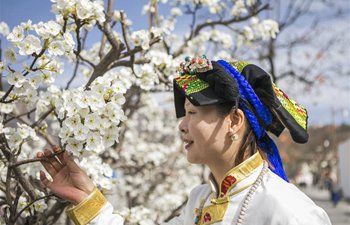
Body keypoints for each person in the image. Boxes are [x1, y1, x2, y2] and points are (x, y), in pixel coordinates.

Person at [37, 55, 332, 225]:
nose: (182, 125)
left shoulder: (288, 210)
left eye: (193, 112)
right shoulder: (201, 199)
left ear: (234, 121)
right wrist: (89, 199)